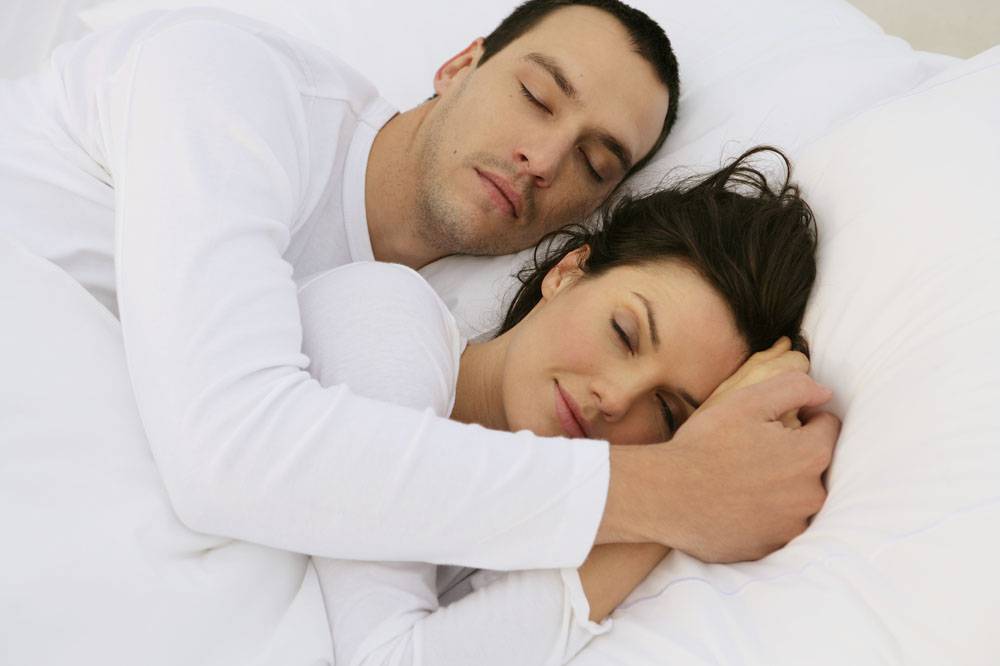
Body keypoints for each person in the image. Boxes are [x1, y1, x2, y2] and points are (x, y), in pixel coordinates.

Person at [0, 0, 836, 589]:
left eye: (593, 163)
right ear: (459, 66)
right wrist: (676, 492)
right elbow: (226, 452)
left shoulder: (439, 335)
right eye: (536, 96)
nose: (543, 158)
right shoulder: (228, 79)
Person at [297, 147, 824, 665]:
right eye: (624, 333)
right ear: (567, 272)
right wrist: (694, 492)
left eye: (667, 413)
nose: (616, 398)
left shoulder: (526, 554)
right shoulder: (387, 318)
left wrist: (690, 484)